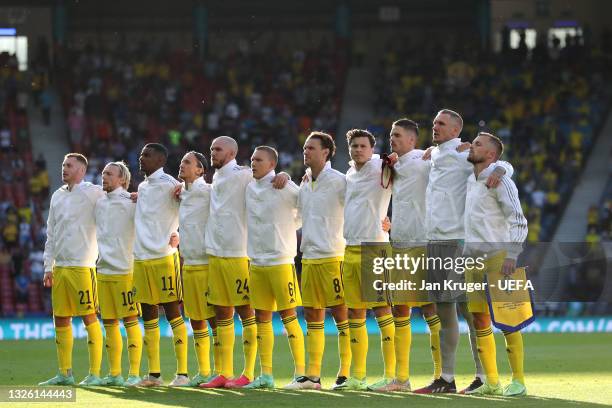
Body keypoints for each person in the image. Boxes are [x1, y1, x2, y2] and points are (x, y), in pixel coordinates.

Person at [415, 109, 513, 394]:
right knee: (445, 313)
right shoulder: (432, 155)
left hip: (457, 242)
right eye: (433, 123)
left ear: (457, 130)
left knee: (472, 314)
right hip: (434, 242)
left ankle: (483, 376)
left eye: (441, 124)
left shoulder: (463, 154)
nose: (435, 127)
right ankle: (446, 379)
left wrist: (500, 169)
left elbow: (503, 162)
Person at [201, 136, 289, 389]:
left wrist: (284, 176)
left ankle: (249, 373)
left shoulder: (242, 174)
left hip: (238, 254)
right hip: (216, 254)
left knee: (246, 312)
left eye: (217, 149)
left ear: (230, 153)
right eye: (211, 148)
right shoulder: (216, 177)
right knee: (221, 313)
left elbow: (269, 177)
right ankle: (223, 372)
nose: (213, 153)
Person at [284, 132, 351, 390]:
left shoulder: (339, 181)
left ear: (326, 152)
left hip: (334, 256)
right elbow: (298, 218)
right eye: (304, 148)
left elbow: (355, 208)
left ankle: (344, 372)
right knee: (312, 315)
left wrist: (381, 222)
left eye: (311, 148)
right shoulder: (305, 183)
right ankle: (312, 377)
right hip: (309, 257)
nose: (305, 152)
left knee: (341, 313)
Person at [464, 132, 528, 396]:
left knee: (508, 319)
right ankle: (491, 381)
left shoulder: (501, 181)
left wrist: (512, 254)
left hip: (499, 256)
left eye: (478, 144)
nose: (472, 145)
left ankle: (519, 381)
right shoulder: (470, 177)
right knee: (479, 318)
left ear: (491, 155)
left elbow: (518, 220)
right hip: (472, 259)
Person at [382, 119, 443, 391]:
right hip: (399, 244)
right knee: (400, 310)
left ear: (412, 141)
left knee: (430, 308)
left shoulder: (424, 161)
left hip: (423, 244)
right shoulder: (392, 165)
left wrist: (502, 166)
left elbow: (467, 166)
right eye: (391, 135)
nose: (392, 139)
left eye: (397, 135)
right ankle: (402, 379)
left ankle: (442, 376)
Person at [40, 153, 105, 386]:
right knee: (60, 319)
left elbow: (118, 196)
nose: (64, 168)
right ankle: (65, 373)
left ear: (81, 170)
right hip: (61, 268)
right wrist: (49, 266)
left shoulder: (93, 192)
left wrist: (135, 196)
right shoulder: (57, 196)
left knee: (89, 317)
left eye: (69, 165)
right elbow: (51, 233)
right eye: (63, 164)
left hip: (82, 266)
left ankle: (95, 373)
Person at [242, 146, 305, 389]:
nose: (253, 163)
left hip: (280, 261)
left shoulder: (284, 186)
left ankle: (301, 373)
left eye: (258, 160)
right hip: (256, 262)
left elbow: (305, 205)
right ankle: (265, 374)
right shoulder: (249, 187)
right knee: (262, 319)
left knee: (289, 317)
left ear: (271, 164)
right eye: (251, 159)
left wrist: (286, 176)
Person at [337, 129, 394, 391]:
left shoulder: (382, 166)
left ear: (372, 149)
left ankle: (392, 375)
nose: (358, 149)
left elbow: (412, 176)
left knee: (382, 311)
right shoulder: (349, 174)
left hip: (375, 249)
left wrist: (397, 222)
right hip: (350, 250)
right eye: (354, 146)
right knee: (354, 313)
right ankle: (357, 377)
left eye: (363, 146)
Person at [132, 143, 186, 387]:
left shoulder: (171, 185)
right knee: (149, 315)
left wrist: (180, 235)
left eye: (147, 155)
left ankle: (182, 374)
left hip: (164, 257)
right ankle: (154, 374)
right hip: (142, 259)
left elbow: (192, 209)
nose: (141, 158)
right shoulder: (142, 187)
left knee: (173, 312)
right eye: (141, 154)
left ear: (161, 159)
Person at [94, 161, 142, 387]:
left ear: (123, 179)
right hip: (103, 271)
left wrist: (174, 235)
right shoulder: (99, 203)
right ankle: (114, 374)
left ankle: (134, 373)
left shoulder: (132, 203)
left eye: (109, 174)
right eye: (103, 173)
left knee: (131, 321)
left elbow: (152, 221)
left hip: (125, 271)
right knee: (109, 323)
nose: (104, 177)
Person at [175, 151, 218, 386]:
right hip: (188, 264)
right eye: (181, 162)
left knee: (214, 319)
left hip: (207, 264)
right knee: (195, 319)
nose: (181, 165)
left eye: (187, 163)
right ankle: (203, 371)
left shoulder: (209, 192)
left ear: (200, 170)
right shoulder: (181, 193)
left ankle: (222, 370)